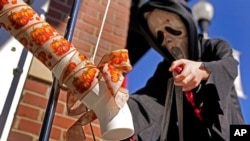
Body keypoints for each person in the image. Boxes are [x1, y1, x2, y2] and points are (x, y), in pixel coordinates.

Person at [123, 0, 245, 141]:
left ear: (187, 23)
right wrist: (118, 105)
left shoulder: (212, 47)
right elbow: (150, 99)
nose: (167, 39)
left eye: (171, 28)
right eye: (159, 36)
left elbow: (229, 66)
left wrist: (202, 70)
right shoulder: (166, 70)